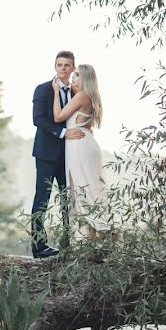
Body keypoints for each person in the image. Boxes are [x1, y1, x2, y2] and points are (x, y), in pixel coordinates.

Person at [30, 51, 84, 258]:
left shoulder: (75, 93)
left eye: (67, 65)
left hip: (69, 155)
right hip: (46, 154)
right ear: (55, 67)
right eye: (59, 65)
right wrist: (63, 132)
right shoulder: (43, 89)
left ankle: (68, 244)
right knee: (41, 199)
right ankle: (39, 247)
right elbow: (38, 120)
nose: (62, 68)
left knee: (67, 200)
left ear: (72, 68)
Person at [52, 64, 110, 240]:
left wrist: (56, 91)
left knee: (83, 190)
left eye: (77, 75)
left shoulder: (81, 97)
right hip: (85, 142)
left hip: (79, 146)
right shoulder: (88, 96)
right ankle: (95, 242)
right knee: (89, 191)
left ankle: (103, 236)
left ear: (85, 78)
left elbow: (58, 117)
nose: (73, 78)